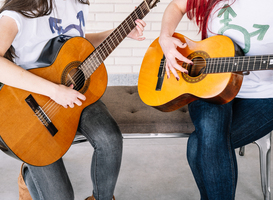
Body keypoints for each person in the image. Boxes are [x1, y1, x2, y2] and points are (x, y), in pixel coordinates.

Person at [0, 0, 146, 200]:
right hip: (31, 107)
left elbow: (73, 43)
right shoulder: (19, 11)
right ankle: (28, 173)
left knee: (110, 140)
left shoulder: (77, 3)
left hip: (70, 92)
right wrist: (54, 91)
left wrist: (118, 33)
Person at [159, 0, 273, 199]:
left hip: (263, 95)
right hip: (209, 86)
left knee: (197, 147)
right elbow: (176, 6)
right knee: (209, 138)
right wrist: (165, 37)